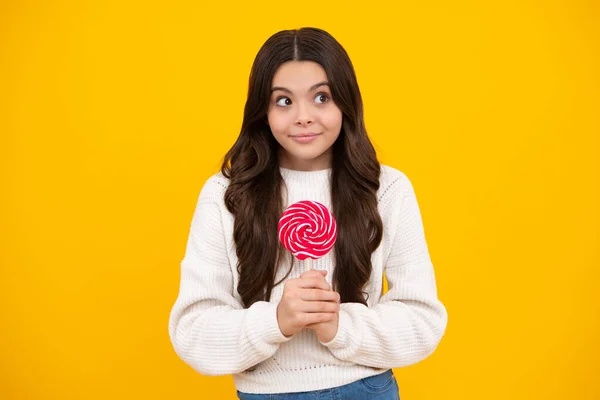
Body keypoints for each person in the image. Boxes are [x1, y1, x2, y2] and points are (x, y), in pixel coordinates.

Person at [168, 27, 448, 400]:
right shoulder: (225, 195)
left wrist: (339, 326)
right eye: (283, 101)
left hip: (366, 390)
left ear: (346, 103)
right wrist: (277, 320)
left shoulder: (387, 190)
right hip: (266, 392)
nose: (303, 116)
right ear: (261, 110)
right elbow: (193, 332)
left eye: (321, 97)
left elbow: (423, 321)